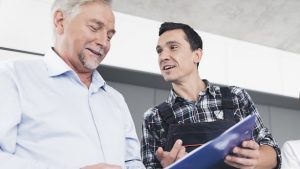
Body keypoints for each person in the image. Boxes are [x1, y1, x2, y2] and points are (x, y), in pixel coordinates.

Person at [0, 0, 145, 169]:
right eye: (94, 28)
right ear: (60, 21)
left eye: (109, 36)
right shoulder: (12, 77)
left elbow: (132, 162)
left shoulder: (116, 100)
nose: (104, 43)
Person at [141, 22, 281, 169]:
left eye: (173, 47)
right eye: (159, 51)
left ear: (197, 55)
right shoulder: (154, 117)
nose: (163, 56)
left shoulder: (236, 96)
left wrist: (256, 160)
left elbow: (270, 148)